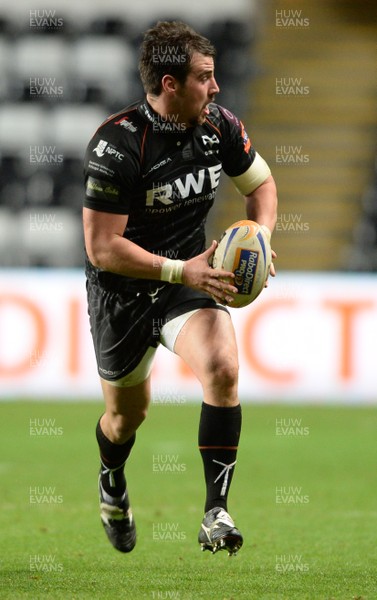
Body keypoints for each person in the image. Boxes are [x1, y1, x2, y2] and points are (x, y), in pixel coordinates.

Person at [83, 20, 277, 557]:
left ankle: (216, 510)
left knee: (223, 367)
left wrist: (258, 237)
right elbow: (102, 247)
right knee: (126, 417)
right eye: (204, 77)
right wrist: (179, 270)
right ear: (170, 83)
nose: (216, 88)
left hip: (188, 280)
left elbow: (260, 184)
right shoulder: (116, 144)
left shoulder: (220, 125)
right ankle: (112, 481)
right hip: (122, 291)